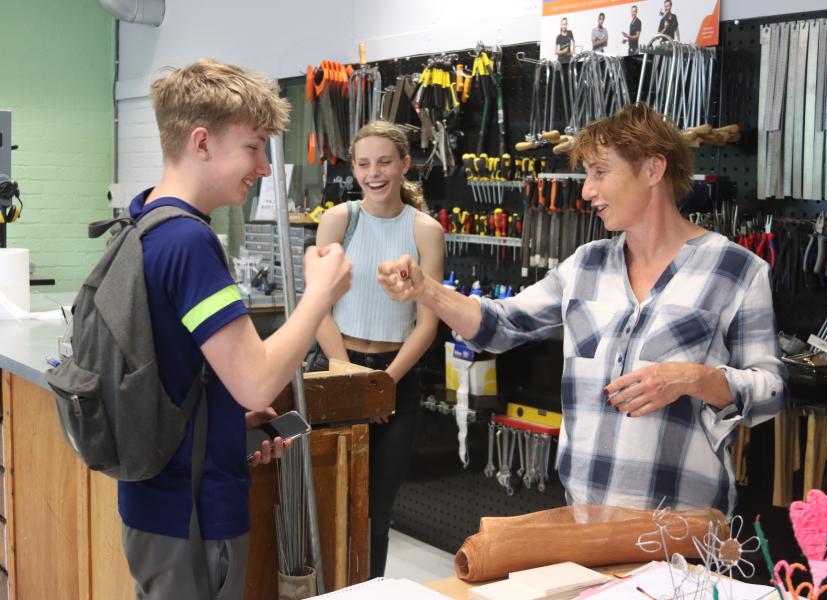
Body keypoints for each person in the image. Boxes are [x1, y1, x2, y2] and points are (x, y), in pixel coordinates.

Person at [377, 103, 786, 517]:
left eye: (600, 172)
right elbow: (499, 325)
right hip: (585, 518)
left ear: (652, 170)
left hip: (683, 528)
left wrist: (692, 379)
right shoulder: (586, 263)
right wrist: (426, 289)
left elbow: (771, 389)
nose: (587, 190)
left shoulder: (736, 270)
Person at [121, 59, 352, 600]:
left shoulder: (146, 220)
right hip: (193, 517)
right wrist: (319, 294)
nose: (265, 168)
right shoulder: (190, 243)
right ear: (201, 142)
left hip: (165, 505)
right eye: (253, 148)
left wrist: (225, 422)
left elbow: (181, 371)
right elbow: (254, 380)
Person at [313, 120, 445, 577]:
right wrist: (351, 381)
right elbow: (320, 310)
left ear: (404, 164)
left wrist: (382, 386)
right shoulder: (338, 220)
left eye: (385, 162)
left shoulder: (426, 229)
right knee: (326, 500)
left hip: (397, 377)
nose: (375, 173)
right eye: (365, 163)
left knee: (375, 512)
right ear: (353, 168)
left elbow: (427, 324)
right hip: (337, 367)